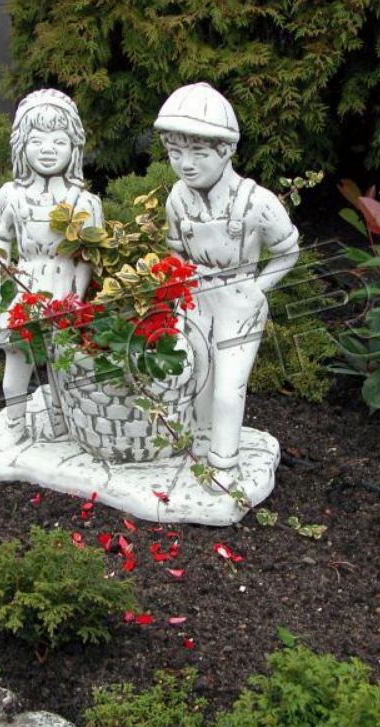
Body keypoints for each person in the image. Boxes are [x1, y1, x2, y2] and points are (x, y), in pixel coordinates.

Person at [154, 82, 300, 486]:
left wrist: (258, 288)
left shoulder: (257, 202)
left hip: (238, 298)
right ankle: (200, 444)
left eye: (198, 153)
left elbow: (288, 252)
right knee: (197, 378)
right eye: (175, 153)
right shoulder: (177, 199)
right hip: (195, 298)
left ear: (226, 151)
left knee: (228, 386)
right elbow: (175, 252)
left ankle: (223, 463)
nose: (185, 164)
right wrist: (178, 290)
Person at [0, 89, 102, 447]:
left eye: (59, 141)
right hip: (23, 289)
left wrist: (76, 296)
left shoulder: (84, 201)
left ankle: (64, 424)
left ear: (74, 147)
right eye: (36, 140)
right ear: (21, 145)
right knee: (17, 363)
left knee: (62, 365)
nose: (47, 149)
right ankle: (15, 424)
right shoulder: (11, 195)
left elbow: (88, 256)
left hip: (64, 291)